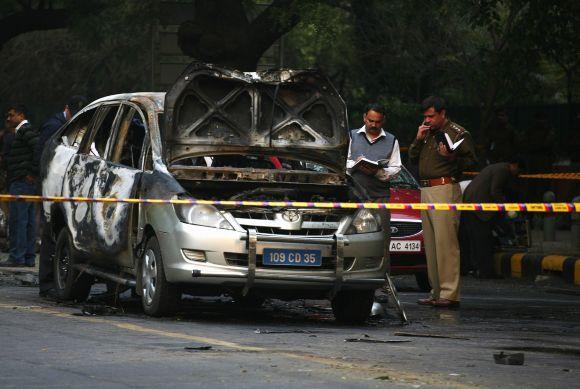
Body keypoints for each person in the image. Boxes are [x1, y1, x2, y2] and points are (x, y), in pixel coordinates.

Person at [408, 96, 477, 308]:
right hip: (426, 189)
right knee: (431, 243)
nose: (427, 120)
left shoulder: (457, 133)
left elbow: (472, 160)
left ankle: (449, 293)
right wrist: (418, 139)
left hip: (445, 188)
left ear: (442, 113)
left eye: (431, 116)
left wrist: (450, 157)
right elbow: (411, 158)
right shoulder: (427, 132)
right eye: (425, 116)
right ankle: (435, 291)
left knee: (446, 242)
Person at [37, 96, 87, 296]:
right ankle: (46, 283)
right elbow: (43, 155)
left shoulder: (69, 126)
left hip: (63, 188)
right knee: (50, 235)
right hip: (52, 186)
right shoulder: (54, 127)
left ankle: (52, 282)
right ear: (67, 110)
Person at [347, 103, 402, 267]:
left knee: (383, 241)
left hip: (380, 198)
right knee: (351, 238)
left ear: (383, 121)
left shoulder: (392, 140)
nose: (373, 124)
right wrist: (355, 165)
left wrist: (379, 173)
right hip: (354, 197)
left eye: (377, 122)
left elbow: (396, 168)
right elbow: (343, 162)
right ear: (364, 118)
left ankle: (384, 279)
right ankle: (353, 276)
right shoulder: (351, 136)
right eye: (370, 120)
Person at [459, 158, 521, 278]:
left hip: (470, 205)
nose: (517, 173)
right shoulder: (503, 170)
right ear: (514, 165)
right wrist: (504, 207)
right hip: (478, 208)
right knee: (483, 240)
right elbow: (495, 191)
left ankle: (474, 268)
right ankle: (485, 272)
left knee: (474, 239)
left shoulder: (495, 167)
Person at [0, 105, 39, 267]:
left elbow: (38, 148)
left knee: (18, 220)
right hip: (25, 182)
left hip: (22, 182)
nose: (8, 118)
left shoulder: (25, 131)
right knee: (28, 221)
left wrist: (31, 173)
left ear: (21, 115)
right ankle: (28, 258)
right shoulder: (22, 132)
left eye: (11, 115)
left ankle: (17, 257)